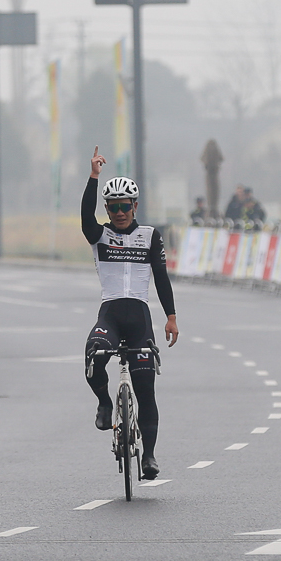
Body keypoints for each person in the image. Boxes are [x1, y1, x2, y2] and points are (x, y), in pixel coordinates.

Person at [83, 146, 179, 480]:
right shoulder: (100, 235)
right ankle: (105, 402)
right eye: (114, 207)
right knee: (94, 354)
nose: (120, 212)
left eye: (125, 206)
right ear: (108, 209)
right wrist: (94, 177)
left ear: (135, 206)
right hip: (110, 313)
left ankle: (149, 457)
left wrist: (171, 316)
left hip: (140, 317)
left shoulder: (150, 236)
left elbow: (162, 278)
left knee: (145, 390)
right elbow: (85, 217)